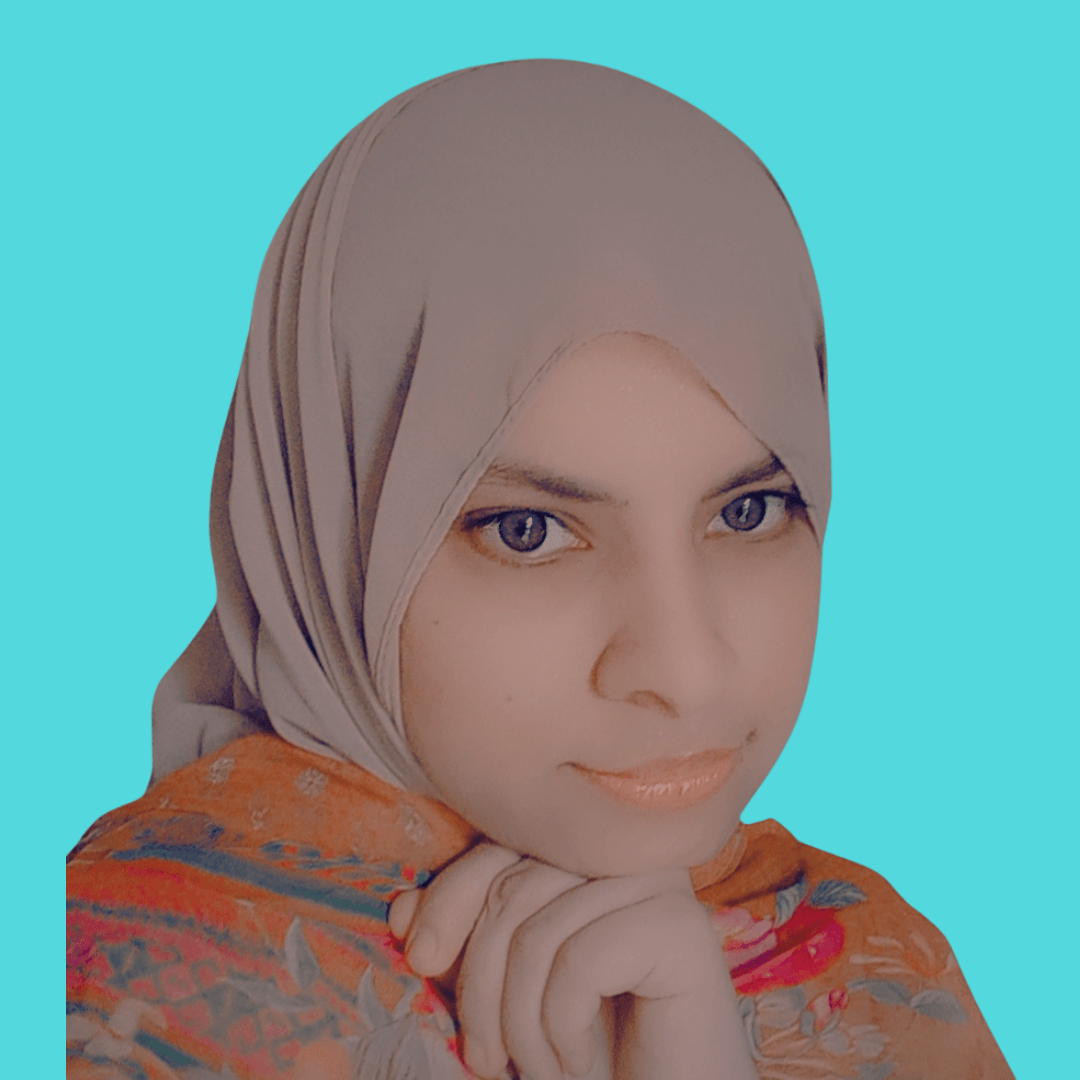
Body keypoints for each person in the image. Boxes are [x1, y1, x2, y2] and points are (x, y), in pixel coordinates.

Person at [66, 60, 1014, 1080]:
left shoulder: (880, 979)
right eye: (529, 532)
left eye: (747, 513)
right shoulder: (99, 1002)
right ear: (325, 530)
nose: (685, 671)